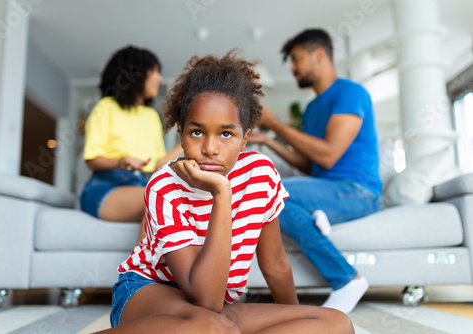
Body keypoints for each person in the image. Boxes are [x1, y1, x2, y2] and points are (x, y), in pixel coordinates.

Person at [96, 51, 354, 333]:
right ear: (181, 134)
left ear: (245, 139)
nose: (210, 147)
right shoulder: (164, 186)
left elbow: (276, 264)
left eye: (226, 134)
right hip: (148, 291)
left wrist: (295, 320)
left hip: (216, 307)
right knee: (212, 326)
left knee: (335, 323)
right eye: (197, 132)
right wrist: (222, 193)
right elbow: (204, 297)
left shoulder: (261, 174)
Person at [248, 28, 382, 314]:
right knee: (270, 192)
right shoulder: (310, 109)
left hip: (359, 191)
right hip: (326, 188)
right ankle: (314, 214)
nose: (293, 68)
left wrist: (275, 124)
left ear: (319, 54)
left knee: (271, 195)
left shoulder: (350, 93)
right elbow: (311, 164)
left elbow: (329, 154)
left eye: (296, 60)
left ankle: (347, 279)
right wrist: (270, 141)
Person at [80, 46, 183, 240]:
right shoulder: (106, 108)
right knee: (158, 198)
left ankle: (147, 268)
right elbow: (92, 159)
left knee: (166, 197)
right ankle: (140, 270)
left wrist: (190, 138)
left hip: (144, 184)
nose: (159, 79)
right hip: (107, 186)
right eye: (155, 71)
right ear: (136, 72)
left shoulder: (152, 116)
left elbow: (158, 164)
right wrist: (121, 161)